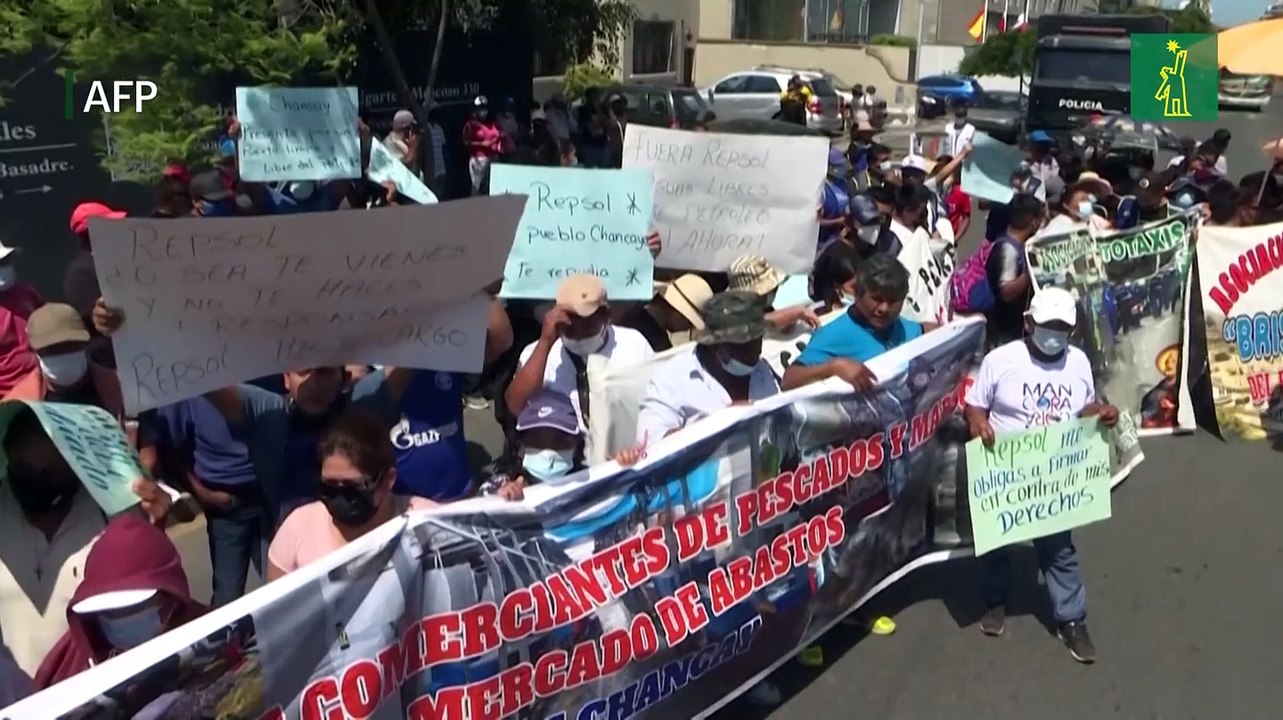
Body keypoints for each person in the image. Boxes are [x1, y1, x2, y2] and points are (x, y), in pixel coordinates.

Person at [964, 287, 1119, 663]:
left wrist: (1101, 412)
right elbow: (975, 407)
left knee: (1058, 549)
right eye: (1048, 327)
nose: (1055, 335)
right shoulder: (1000, 360)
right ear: (1028, 323)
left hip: (1054, 473)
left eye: (1063, 328)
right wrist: (979, 425)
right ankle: (996, 601)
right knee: (997, 542)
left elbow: (1084, 407)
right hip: (1007, 469)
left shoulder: (1078, 361)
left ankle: (1072, 619)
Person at [0, 407, 171, 674]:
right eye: (25, 471)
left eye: (51, 473)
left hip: (94, 695)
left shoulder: (114, 516)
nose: (37, 484)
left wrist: (153, 534)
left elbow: (147, 604)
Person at [34, 512, 206, 688]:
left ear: (170, 599)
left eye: (132, 608)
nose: (118, 620)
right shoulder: (67, 670)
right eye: (107, 612)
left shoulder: (216, 637)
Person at [266, 409, 436, 579]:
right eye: (329, 485)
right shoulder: (298, 528)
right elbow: (275, 601)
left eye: (353, 485)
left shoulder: (430, 524)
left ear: (388, 480)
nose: (341, 494)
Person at [503, 275, 654, 454]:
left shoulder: (634, 343)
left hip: (621, 453)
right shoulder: (537, 352)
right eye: (570, 323)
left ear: (606, 315)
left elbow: (656, 398)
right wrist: (545, 341)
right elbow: (514, 404)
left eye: (586, 323)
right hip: (564, 458)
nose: (578, 332)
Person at [155, 397, 267, 608]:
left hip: (272, 500)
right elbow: (168, 450)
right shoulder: (187, 392)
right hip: (227, 509)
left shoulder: (263, 376)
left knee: (288, 582)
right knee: (228, 598)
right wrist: (202, 492)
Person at [636, 291, 780, 445]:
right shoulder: (672, 379)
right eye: (744, 347)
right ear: (716, 345)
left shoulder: (764, 371)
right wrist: (722, 422)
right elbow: (652, 444)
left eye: (758, 342)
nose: (755, 354)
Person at [782, 255, 923, 391]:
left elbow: (926, 331)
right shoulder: (834, 334)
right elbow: (789, 380)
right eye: (877, 299)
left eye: (893, 301)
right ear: (858, 294)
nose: (884, 309)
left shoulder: (900, 326)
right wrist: (833, 368)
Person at [983, 193, 1043, 349]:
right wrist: (1033, 272)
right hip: (1005, 336)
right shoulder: (1008, 249)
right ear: (1033, 221)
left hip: (1014, 332)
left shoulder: (1018, 245)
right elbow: (1007, 292)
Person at [617, 274, 714, 352]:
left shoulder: (627, 315)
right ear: (678, 312)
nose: (687, 328)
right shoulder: (658, 344)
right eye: (689, 323)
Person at [728, 255, 818, 331]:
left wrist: (786, 320)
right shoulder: (732, 315)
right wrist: (797, 312)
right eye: (771, 290)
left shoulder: (762, 308)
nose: (774, 291)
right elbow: (759, 323)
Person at [0, 239, 41, 397]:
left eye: (5, 261)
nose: (3, 267)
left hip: (40, 386)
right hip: (5, 397)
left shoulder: (27, 293)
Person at [463, 95, 503, 195]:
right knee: (477, 186)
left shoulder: (493, 124)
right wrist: (482, 144)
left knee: (492, 186)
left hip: (494, 158)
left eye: (484, 108)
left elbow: (500, 135)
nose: (483, 111)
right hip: (479, 160)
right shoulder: (470, 125)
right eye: (480, 108)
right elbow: (466, 142)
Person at [818, 148, 852, 249]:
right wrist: (836, 221)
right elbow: (815, 222)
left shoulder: (843, 183)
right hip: (824, 242)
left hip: (841, 236)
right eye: (838, 166)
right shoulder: (822, 190)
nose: (842, 168)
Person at [576, 87, 610, 168]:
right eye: (593, 95)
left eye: (596, 95)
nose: (595, 98)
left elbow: (607, 123)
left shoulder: (603, 108)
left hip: (603, 144)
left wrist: (598, 109)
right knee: (589, 169)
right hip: (589, 145)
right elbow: (585, 125)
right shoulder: (583, 109)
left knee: (604, 169)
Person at [384, 109, 420, 174]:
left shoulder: (402, 141)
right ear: (405, 127)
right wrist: (413, 147)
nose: (413, 130)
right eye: (412, 127)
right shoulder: (391, 142)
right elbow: (403, 167)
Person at [424, 105, 448, 196]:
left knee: (440, 195)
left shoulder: (439, 128)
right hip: (430, 170)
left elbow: (443, 147)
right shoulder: (425, 129)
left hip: (441, 168)